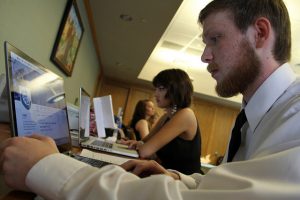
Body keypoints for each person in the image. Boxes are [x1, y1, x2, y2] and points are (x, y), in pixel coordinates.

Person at [1, 0, 300, 199]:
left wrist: (48, 169)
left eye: (215, 38)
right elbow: (230, 189)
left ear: (259, 33)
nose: (205, 56)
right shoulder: (252, 118)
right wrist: (178, 179)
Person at [122, 68, 202, 175]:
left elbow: (145, 151)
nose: (155, 94)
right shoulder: (167, 116)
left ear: (175, 90)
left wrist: (141, 145)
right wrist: (137, 143)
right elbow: (146, 141)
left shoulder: (186, 114)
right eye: (156, 89)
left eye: (161, 89)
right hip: (165, 176)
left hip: (184, 182)